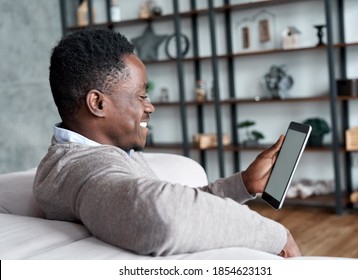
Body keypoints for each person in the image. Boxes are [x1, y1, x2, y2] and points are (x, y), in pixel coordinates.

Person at [33, 28, 301, 258]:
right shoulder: (84, 170)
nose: (150, 107)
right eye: (141, 96)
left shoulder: (103, 149)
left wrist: (243, 184)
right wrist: (277, 236)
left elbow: (180, 207)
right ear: (98, 103)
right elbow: (162, 215)